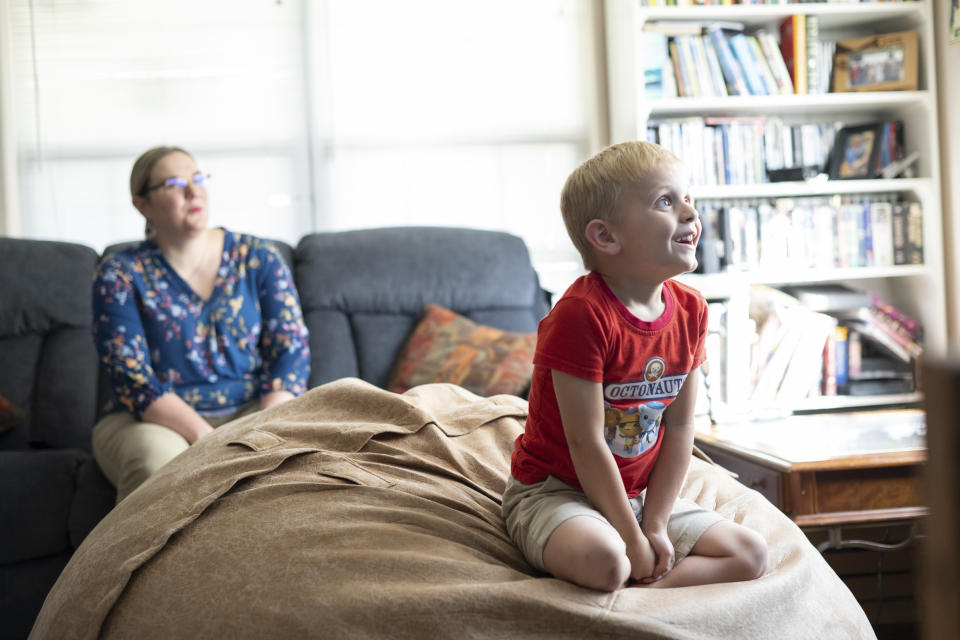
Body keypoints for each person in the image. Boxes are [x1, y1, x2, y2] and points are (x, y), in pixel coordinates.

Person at [502, 141, 767, 591]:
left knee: (750, 553)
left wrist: (656, 526)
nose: (690, 213)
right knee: (609, 562)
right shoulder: (581, 315)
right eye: (666, 201)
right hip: (557, 492)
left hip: (639, 496)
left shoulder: (692, 310)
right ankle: (626, 584)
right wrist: (630, 539)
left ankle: (646, 599)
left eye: (689, 198)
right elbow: (585, 444)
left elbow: (681, 429)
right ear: (606, 237)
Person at [91, 146, 311, 502]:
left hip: (255, 410)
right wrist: (210, 441)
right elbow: (132, 378)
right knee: (158, 465)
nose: (193, 192)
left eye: (197, 178)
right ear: (142, 205)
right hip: (150, 420)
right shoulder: (119, 275)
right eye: (174, 184)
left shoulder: (258, 258)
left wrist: (266, 431)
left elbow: (290, 350)